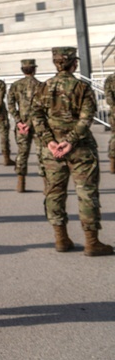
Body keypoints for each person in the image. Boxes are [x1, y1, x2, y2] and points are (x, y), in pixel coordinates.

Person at [32, 47, 113, 256]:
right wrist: (70, 141)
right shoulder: (82, 87)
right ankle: (92, 242)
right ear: (74, 64)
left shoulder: (42, 88)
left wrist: (50, 141)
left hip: (51, 152)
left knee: (54, 194)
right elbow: (87, 117)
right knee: (87, 194)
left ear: (55, 63)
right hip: (81, 149)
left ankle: (61, 239)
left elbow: (37, 117)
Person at [7, 58, 43, 193]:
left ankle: (20, 184)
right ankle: (47, 185)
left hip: (21, 125)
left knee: (22, 153)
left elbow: (10, 105)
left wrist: (19, 121)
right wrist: (30, 122)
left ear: (23, 70)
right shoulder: (41, 86)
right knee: (41, 153)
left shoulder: (16, 85)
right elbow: (43, 107)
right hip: (38, 125)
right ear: (34, 69)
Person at [105, 70, 115, 174]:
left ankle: (113, 163)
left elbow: (109, 98)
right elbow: (109, 99)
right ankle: (113, 163)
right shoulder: (111, 79)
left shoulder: (110, 79)